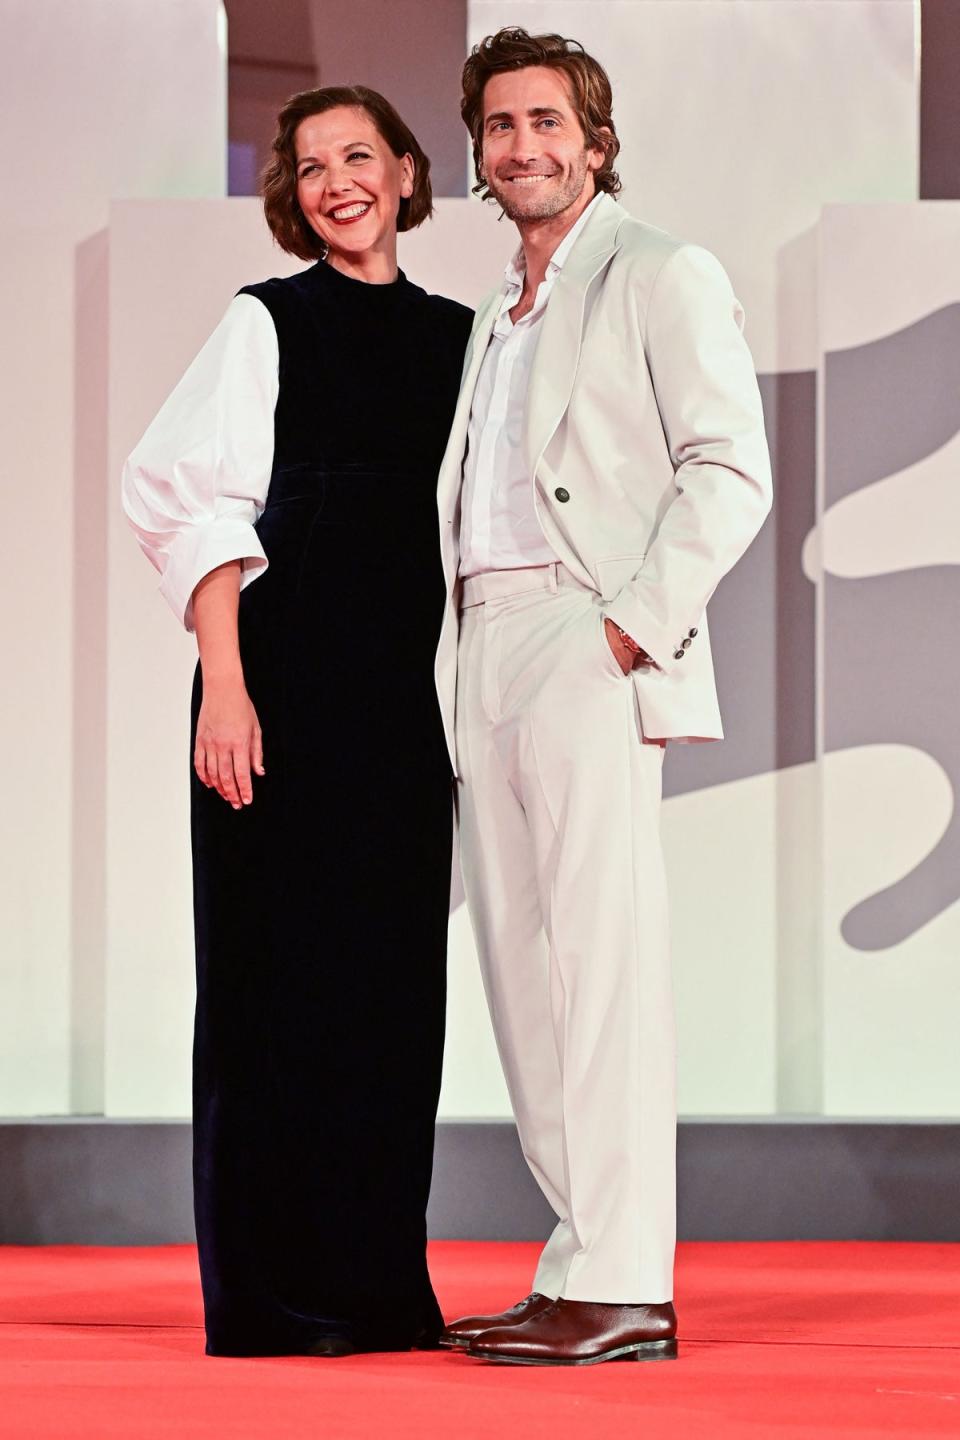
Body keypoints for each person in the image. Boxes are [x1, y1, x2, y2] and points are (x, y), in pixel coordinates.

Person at [436, 29, 773, 1366]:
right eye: (500, 126)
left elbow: (728, 467)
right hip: (483, 643)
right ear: (478, 149)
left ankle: (627, 1276)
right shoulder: (494, 316)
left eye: (545, 123)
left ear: (595, 137)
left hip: (585, 635)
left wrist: (629, 631)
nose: (523, 147)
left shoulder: (662, 272)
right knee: (525, 970)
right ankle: (578, 1260)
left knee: (601, 968)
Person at [122, 86, 472, 1357]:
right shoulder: (267, 322)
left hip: (392, 710)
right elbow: (184, 499)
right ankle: (271, 1303)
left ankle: (378, 1291)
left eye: (358, 156)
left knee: (387, 996)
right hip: (269, 695)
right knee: (272, 993)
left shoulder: (463, 339)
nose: (337, 181)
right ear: (292, 191)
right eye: (312, 163)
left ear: (407, 170)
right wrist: (225, 685)